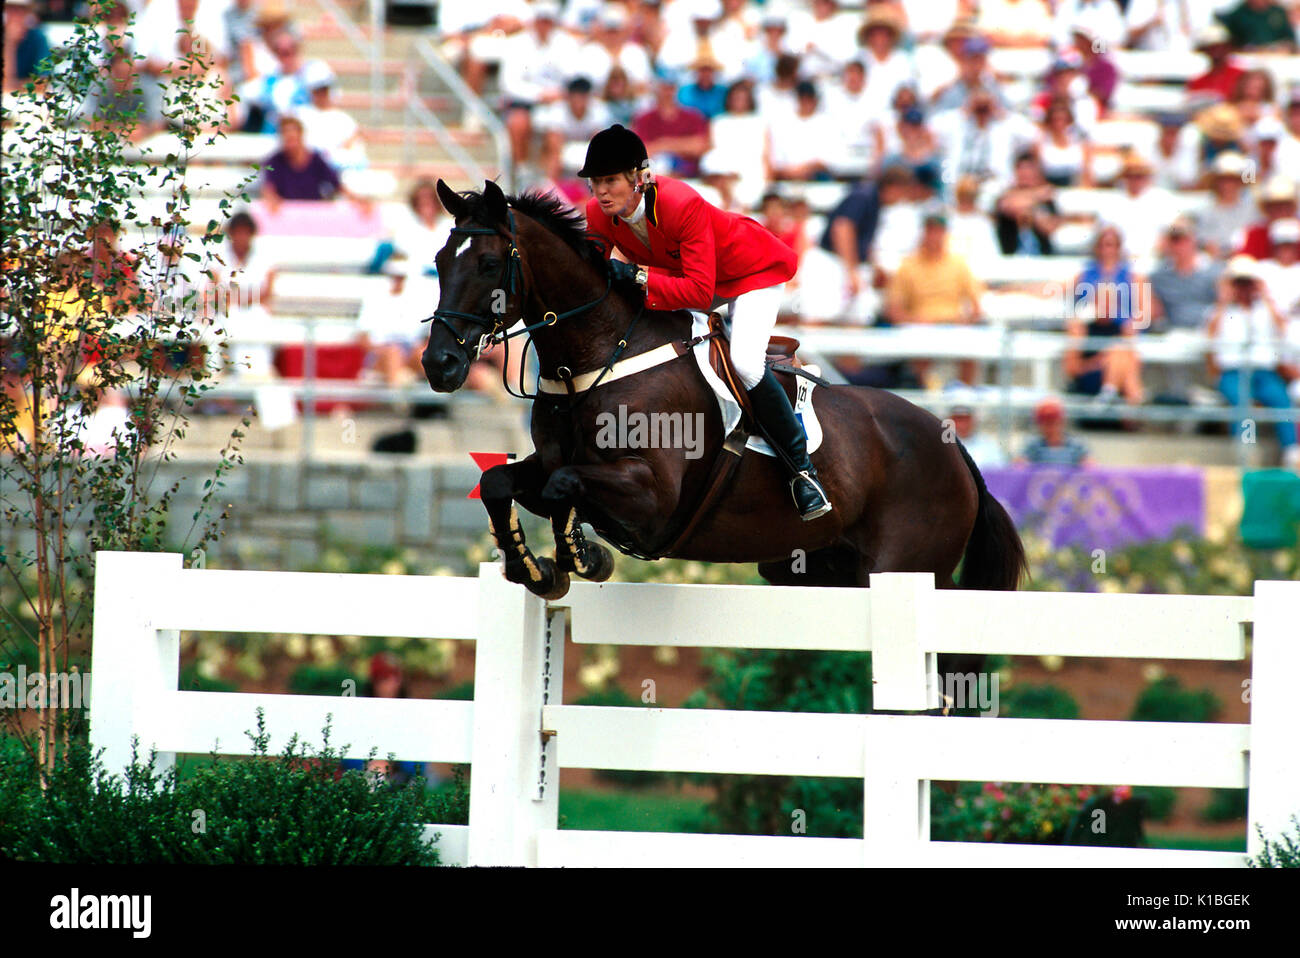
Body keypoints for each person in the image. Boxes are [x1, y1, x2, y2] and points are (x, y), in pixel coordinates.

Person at [577, 124, 829, 519]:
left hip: (750, 274)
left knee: (745, 361)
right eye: (595, 182)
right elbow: (592, 275)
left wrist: (639, 277)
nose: (601, 191)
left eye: (610, 180)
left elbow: (696, 292)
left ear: (639, 179)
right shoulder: (597, 213)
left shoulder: (681, 203)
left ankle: (802, 472)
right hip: (691, 279)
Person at [1207, 255, 1299, 468]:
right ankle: (1246, 450)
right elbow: (1210, 336)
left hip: (1263, 371)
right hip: (1234, 371)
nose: (1244, 287)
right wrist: (1224, 300)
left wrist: (1265, 296)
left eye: (1247, 282)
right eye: (1239, 282)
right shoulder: (1221, 311)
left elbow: (1283, 329)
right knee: (1242, 402)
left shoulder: (1264, 310)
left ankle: (1292, 451)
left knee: (1281, 400)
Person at [887, 210, 984, 385]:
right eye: (930, 231)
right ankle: (924, 399)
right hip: (920, 325)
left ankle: (964, 404)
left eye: (938, 231)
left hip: (952, 324)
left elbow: (977, 305)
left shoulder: (958, 263)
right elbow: (894, 309)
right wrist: (915, 320)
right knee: (919, 352)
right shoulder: (908, 265)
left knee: (970, 352)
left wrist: (965, 320)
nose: (934, 236)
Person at [1064, 224, 1146, 405]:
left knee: (1124, 356)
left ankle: (1110, 394)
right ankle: (1126, 406)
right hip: (1092, 375)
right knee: (1121, 355)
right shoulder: (1080, 328)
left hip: (1115, 369)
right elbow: (1073, 368)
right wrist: (1103, 361)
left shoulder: (1123, 327)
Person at [1019, 396, 1091, 466]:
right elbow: (1019, 467)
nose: (1051, 427)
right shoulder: (1032, 446)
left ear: (1062, 421)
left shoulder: (1076, 446)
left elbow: (1091, 469)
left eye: (1053, 421)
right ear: (1039, 424)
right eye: (1046, 422)